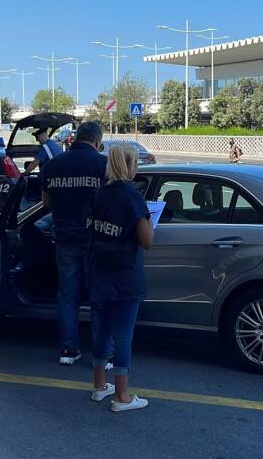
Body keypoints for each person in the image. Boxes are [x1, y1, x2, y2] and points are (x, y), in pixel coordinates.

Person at [88, 144, 154, 412]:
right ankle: (122, 396)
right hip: (125, 273)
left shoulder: (99, 194)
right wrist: (151, 222)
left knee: (103, 330)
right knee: (123, 335)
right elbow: (146, 241)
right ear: (129, 165)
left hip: (98, 270)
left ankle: (100, 387)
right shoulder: (133, 197)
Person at [39, 122, 107, 366]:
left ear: (76, 138)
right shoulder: (102, 164)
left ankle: (68, 351)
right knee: (98, 297)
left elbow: (46, 203)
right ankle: (102, 353)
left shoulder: (53, 164)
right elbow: (112, 202)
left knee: (68, 295)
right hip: (95, 239)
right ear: (97, 140)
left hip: (64, 237)